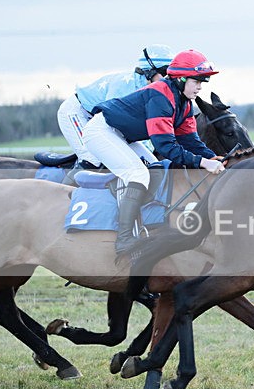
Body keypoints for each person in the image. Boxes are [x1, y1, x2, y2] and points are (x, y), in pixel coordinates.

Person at [81, 49, 225, 256]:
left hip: (121, 135)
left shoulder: (184, 104)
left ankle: (147, 222)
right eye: (196, 82)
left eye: (202, 82)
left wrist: (213, 157)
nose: (200, 87)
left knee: (156, 168)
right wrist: (203, 163)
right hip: (101, 131)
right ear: (182, 78)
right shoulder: (160, 95)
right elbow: (166, 147)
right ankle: (124, 239)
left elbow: (191, 142)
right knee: (138, 174)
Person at [57, 44, 175, 182]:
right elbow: (109, 119)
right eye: (166, 73)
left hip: (101, 120)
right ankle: (64, 196)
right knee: (92, 157)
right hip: (78, 113)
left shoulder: (152, 89)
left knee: (150, 162)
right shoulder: (125, 86)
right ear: (149, 71)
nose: (169, 79)